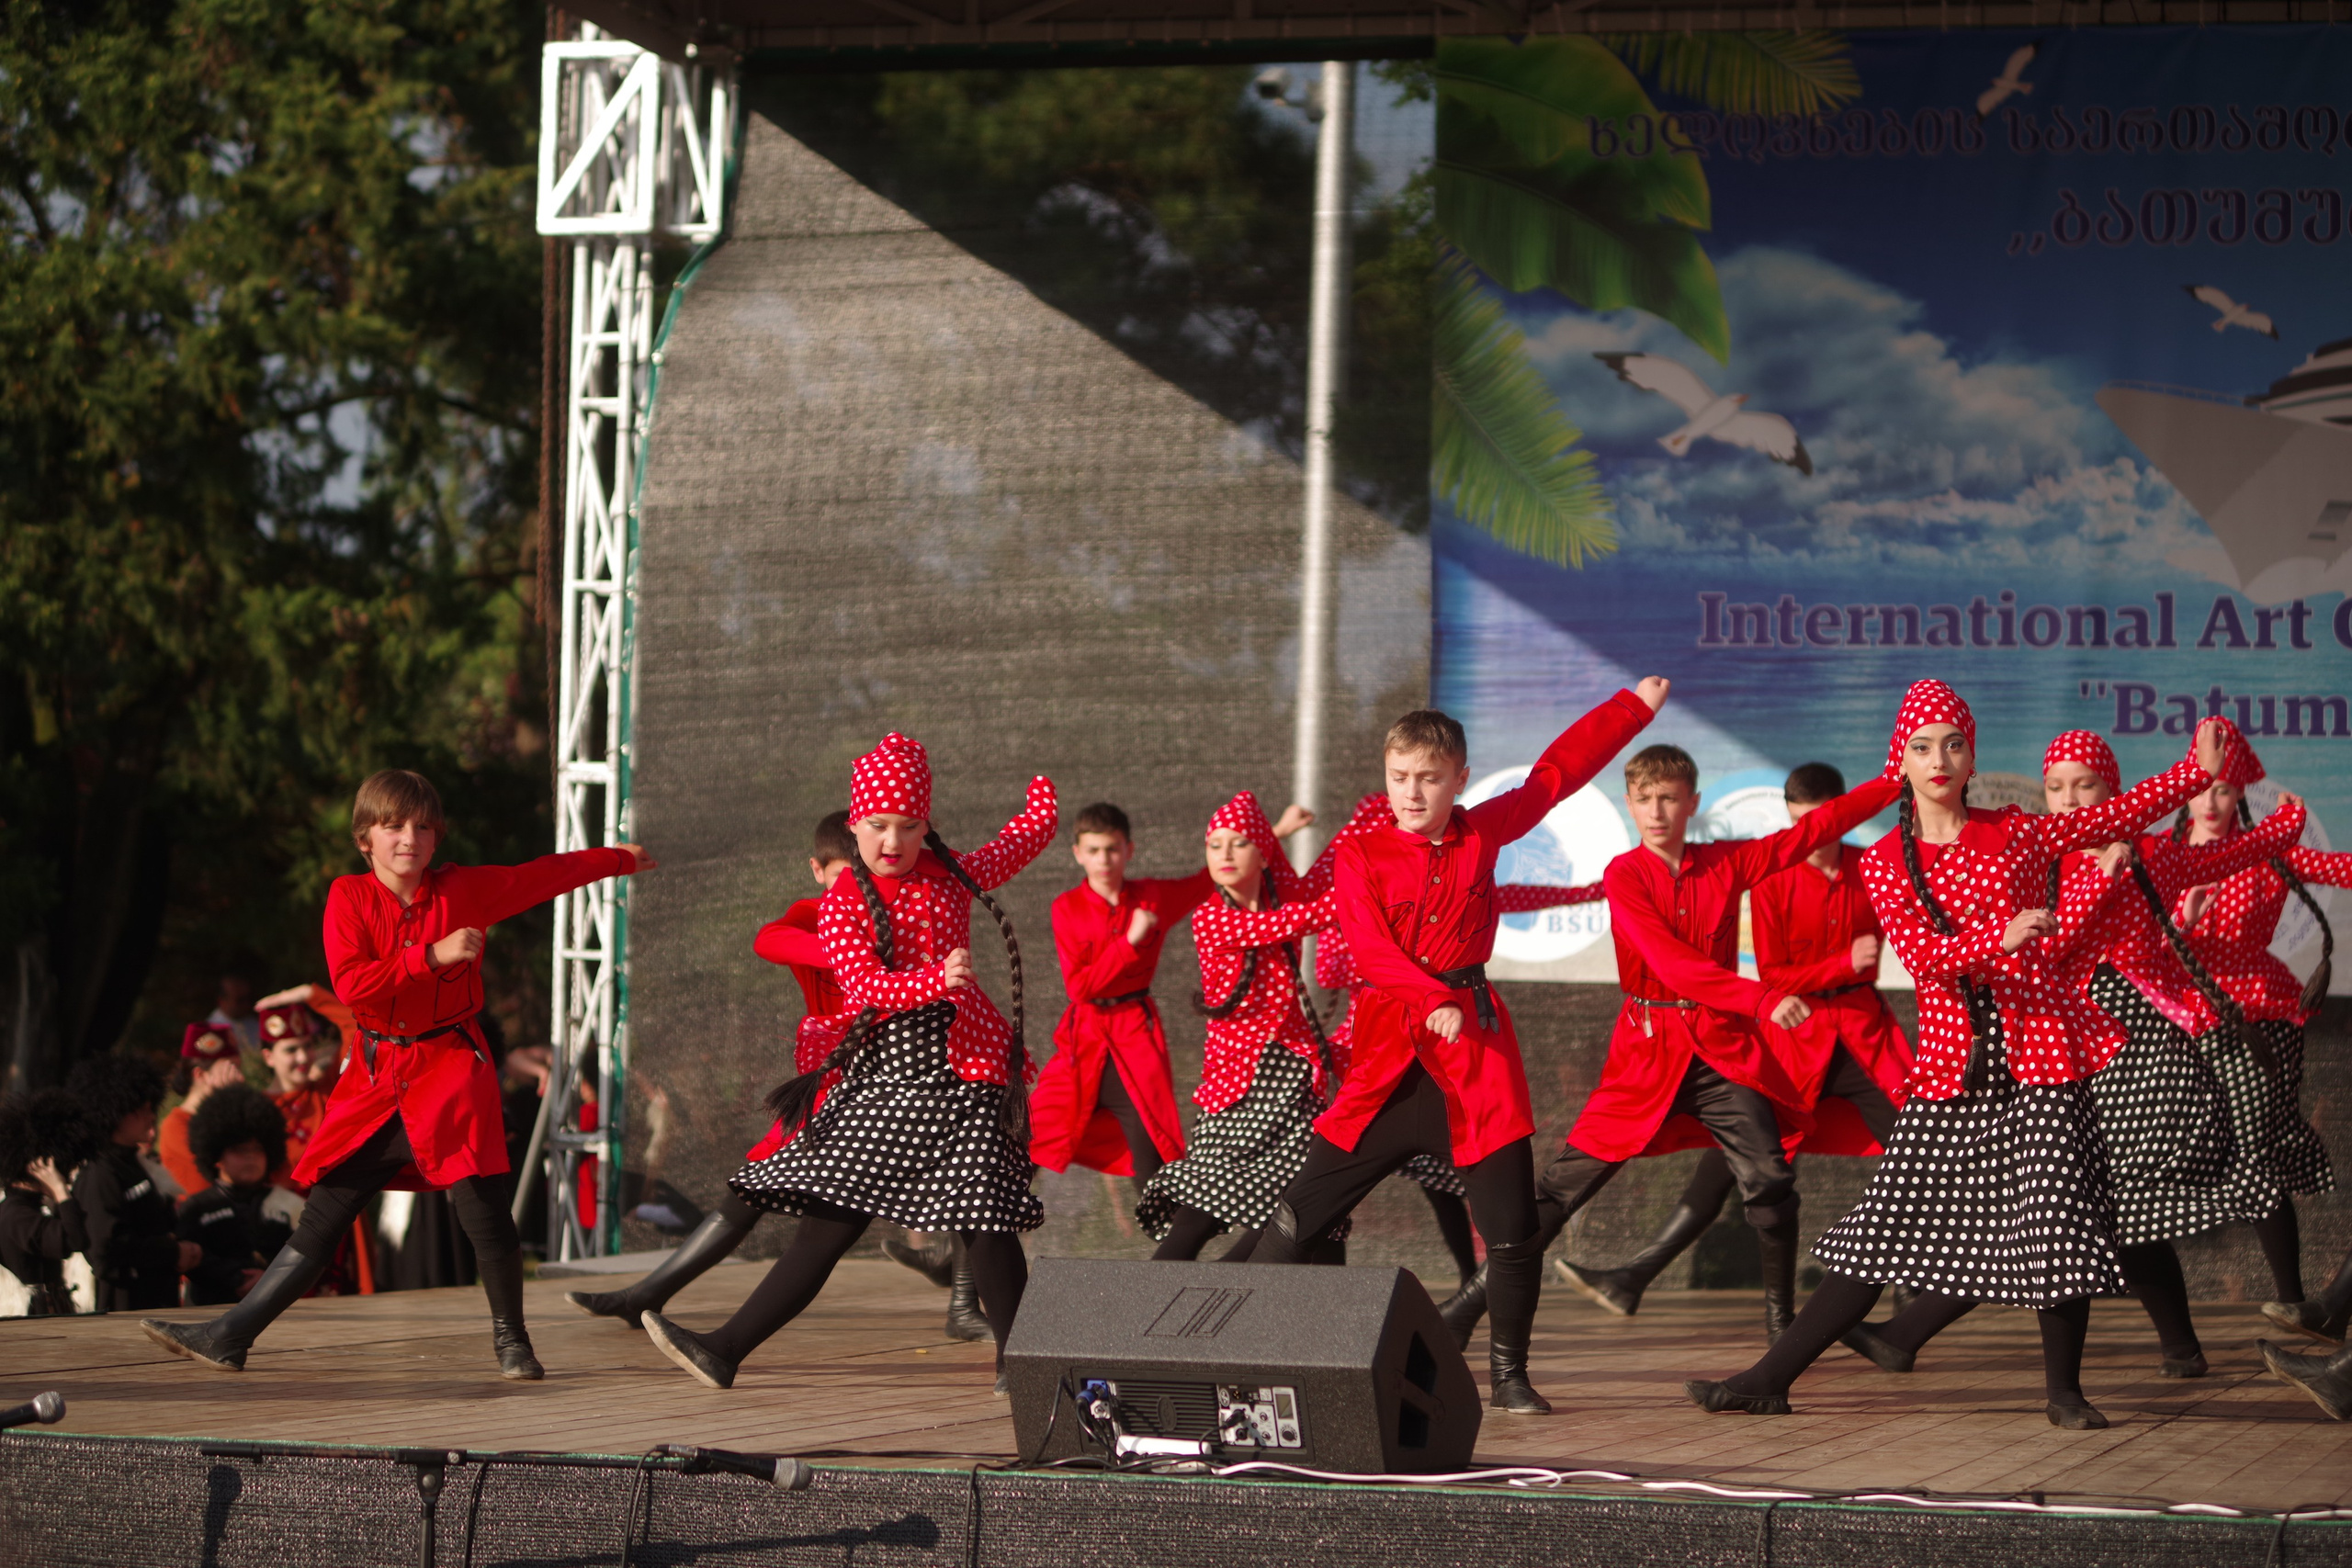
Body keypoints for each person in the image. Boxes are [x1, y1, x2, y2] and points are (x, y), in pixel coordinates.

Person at [1684, 682, 2229, 1430]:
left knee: (2055, 1219)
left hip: (2039, 1050)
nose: (1939, 758)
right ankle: (1769, 1376)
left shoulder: (2018, 831)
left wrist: (2192, 775)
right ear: (1899, 760)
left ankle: (2064, 1393)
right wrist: (1996, 938)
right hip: (1949, 1065)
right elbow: (1925, 957)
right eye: (1921, 745)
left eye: (1954, 743)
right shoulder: (1882, 861)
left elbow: (2109, 816)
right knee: (1884, 1229)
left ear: (1971, 755)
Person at [141, 767, 652, 1379]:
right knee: (326, 1213)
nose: (409, 837)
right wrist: (431, 955)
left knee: (484, 1211)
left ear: (437, 839)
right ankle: (232, 1332)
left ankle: (513, 1343)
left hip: (452, 1073)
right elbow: (352, 984)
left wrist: (616, 858)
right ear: (366, 839)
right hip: (379, 1079)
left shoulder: (463, 888)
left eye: (422, 826)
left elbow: (540, 876)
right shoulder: (347, 897)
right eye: (393, 826)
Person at [1244, 684, 1667, 1417]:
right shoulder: (1361, 854)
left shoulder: (1484, 831)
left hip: (1474, 1066)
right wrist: (1429, 998)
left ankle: (1508, 1375)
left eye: (1429, 777)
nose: (1412, 791)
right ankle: (1233, 1352)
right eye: (1399, 776)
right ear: (1386, 775)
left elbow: (1556, 774)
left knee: (1512, 1234)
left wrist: (1633, 707)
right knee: (1293, 1218)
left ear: (1459, 779)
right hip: (1385, 1065)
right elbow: (1372, 952)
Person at [640, 734, 1053, 1393]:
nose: (893, 840)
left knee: (987, 1215)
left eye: (909, 826)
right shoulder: (844, 902)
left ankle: (1025, 1361)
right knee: (828, 1222)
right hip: (889, 1080)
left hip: (967, 1072)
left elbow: (1004, 854)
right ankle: (726, 1347)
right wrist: (934, 980)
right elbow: (863, 986)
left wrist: (1040, 814)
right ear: (855, 824)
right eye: (878, 826)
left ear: (928, 825)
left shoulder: (946, 872)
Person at [1533, 750, 1901, 1344]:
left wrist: (1896, 780)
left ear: (1691, 803)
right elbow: (1680, 965)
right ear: (1630, 803)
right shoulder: (1630, 874)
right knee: (1567, 1187)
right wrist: (1766, 995)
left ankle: (1786, 1335)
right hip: (1681, 1048)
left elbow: (1821, 835)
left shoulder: (1739, 864)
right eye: (1645, 798)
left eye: (1669, 797)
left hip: (1755, 1044)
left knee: (1780, 1174)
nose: (1657, 810)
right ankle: (1478, 1312)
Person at [567, 810, 872, 1332]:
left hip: (896, 1080)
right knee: (752, 1189)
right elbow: (767, 940)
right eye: (844, 876)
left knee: (962, 1182)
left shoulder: (900, 916)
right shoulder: (813, 915)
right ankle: (648, 1295)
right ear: (817, 871)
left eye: (865, 879)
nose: (854, 892)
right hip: (833, 1085)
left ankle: (968, 1306)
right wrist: (846, 953)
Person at [1322, 864, 1610, 1348]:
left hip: (1447, 1058)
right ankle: (1313, 1316)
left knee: (1456, 1190)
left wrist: (1587, 890)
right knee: (1319, 1196)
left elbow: (1508, 895)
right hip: (1376, 1060)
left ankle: (1472, 1306)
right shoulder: (1360, 896)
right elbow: (1340, 958)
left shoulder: (1456, 890)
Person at [1133, 792, 1376, 1263]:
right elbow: (1300, 919)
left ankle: (1315, 1320)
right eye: (1214, 844)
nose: (1223, 854)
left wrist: (1372, 817)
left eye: (1237, 843)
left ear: (1264, 853)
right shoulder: (1213, 919)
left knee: (1313, 1203)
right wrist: (1367, 891)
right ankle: (1139, 1313)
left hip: (1293, 1080)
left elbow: (1326, 871)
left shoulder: (1276, 894)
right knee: (1199, 1213)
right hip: (1237, 1087)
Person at [1031, 799, 1307, 1204]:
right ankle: (962, 1253)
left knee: (1153, 1162)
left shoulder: (1152, 897)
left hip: (1134, 1041)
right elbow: (1080, 988)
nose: (1103, 859)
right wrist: (1129, 942)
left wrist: (1277, 832)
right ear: (1078, 854)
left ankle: (1172, 1260)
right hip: (1082, 1045)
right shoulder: (1066, 908)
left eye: (1111, 849)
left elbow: (1205, 881)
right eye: (1093, 850)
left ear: (1129, 850)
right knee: (1029, 1138)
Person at [2170, 763, 2348, 1340]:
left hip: (2259, 1021)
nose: (2213, 801)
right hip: (2182, 1025)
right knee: (2186, 1157)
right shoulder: (2163, 856)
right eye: (2202, 788)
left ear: (2240, 794)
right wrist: (2182, 919)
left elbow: (2339, 870)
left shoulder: (2264, 851)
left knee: (2252, 1153)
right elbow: (2133, 935)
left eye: (2224, 789)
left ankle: (2298, 1303)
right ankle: (2183, 1335)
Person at [69, 1053, 199, 1312]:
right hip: (125, 1307)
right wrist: (172, 1253)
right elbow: (105, 1251)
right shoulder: (100, 1172)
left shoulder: (136, 1164)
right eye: (142, 1109)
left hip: (157, 1299)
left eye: (152, 1107)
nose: (152, 1116)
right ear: (116, 1111)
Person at [177, 1087, 306, 1307]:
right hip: (207, 1313)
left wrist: (268, 1279)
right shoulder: (197, 1207)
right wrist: (236, 1279)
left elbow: (305, 1259)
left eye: (257, 1149)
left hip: (277, 1313)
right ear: (216, 1155)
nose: (250, 1158)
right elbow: (190, 1260)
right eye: (239, 1150)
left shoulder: (291, 1206)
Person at [0, 1089, 97, 1318]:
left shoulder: (24, 1208)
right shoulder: (17, 1214)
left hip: (45, 1315)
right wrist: (60, 1190)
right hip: (34, 1320)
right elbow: (74, 1240)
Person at [156, 1023, 251, 1197]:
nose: (240, 1077)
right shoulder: (176, 1126)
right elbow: (220, 1176)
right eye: (230, 1068)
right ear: (200, 1075)